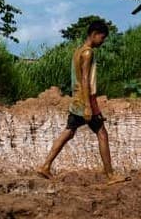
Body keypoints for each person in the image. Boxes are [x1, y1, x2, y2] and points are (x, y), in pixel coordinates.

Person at [35, 18, 126, 183]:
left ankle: (45, 166)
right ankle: (110, 175)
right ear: (94, 34)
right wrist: (88, 107)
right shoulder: (88, 53)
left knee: (69, 132)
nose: (102, 41)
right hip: (85, 100)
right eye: (102, 37)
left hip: (78, 99)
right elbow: (85, 79)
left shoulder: (78, 51)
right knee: (102, 134)